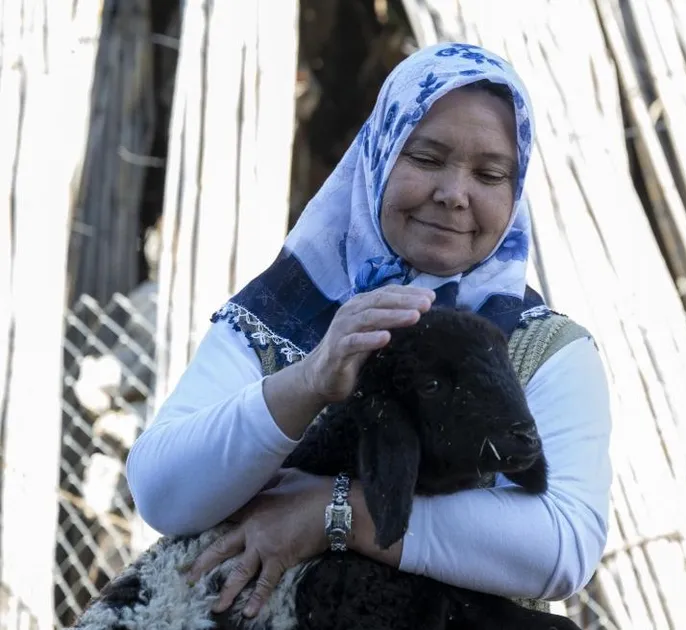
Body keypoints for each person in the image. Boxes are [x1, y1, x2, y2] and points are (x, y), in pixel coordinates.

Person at [125, 42, 613, 620]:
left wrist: (337, 515)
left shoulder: (545, 351)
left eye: (489, 173)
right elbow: (161, 493)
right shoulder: (283, 314)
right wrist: (309, 380)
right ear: (378, 155)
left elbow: (563, 546)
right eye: (427, 158)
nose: (455, 194)